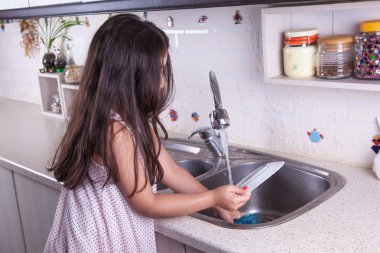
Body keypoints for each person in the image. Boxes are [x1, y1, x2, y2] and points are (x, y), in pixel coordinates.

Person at [44, 13, 251, 253]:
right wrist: (213, 198)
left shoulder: (136, 120)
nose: (164, 81)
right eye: (160, 71)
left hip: (114, 233)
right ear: (132, 76)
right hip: (98, 240)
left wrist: (217, 204)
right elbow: (148, 204)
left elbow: (170, 171)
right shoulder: (116, 132)